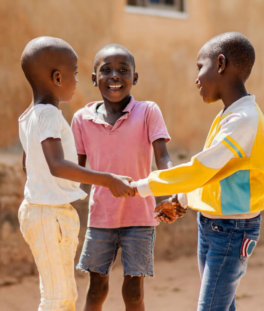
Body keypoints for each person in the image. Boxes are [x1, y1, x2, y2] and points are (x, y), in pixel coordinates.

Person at [132, 32, 264, 311]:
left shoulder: (244, 120)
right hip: (211, 225)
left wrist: (140, 186)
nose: (196, 78)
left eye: (200, 67)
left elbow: (199, 170)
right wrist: (181, 201)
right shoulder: (228, 117)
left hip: (233, 230)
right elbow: (212, 176)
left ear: (220, 64)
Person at [18, 37, 135, 311]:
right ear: (57, 78)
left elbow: (29, 162)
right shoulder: (47, 115)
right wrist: (107, 179)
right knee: (58, 300)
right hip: (48, 216)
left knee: (63, 295)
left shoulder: (30, 116)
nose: (77, 80)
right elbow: (56, 165)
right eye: (75, 73)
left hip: (47, 212)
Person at [71, 44, 182, 311]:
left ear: (135, 77)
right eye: (106, 70)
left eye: (123, 70)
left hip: (140, 216)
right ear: (94, 78)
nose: (115, 76)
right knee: (96, 288)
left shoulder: (147, 112)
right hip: (101, 216)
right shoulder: (81, 119)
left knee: (134, 293)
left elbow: (162, 156)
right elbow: (76, 169)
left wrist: (175, 187)